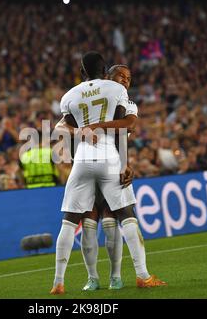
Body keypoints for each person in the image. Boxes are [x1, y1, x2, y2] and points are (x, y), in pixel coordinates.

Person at [50, 52, 166, 295]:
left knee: (70, 221)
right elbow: (125, 129)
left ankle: (59, 282)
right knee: (125, 215)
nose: (124, 81)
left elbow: (60, 126)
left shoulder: (70, 95)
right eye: (120, 76)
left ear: (82, 72)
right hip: (110, 158)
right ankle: (142, 275)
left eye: (127, 77)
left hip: (82, 160)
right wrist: (124, 164)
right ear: (106, 73)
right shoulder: (116, 92)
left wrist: (82, 130)